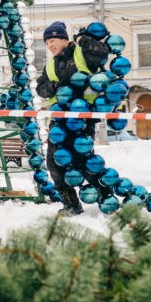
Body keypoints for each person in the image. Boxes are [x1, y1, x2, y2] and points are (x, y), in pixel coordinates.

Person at [35, 21, 110, 216]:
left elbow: (102, 52)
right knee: (53, 161)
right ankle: (71, 203)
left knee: (82, 161)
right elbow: (40, 88)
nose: (50, 45)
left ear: (64, 39)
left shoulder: (80, 53)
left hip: (81, 119)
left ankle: (105, 195)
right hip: (59, 121)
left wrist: (83, 39)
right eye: (47, 42)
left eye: (53, 40)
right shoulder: (51, 65)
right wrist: (53, 87)